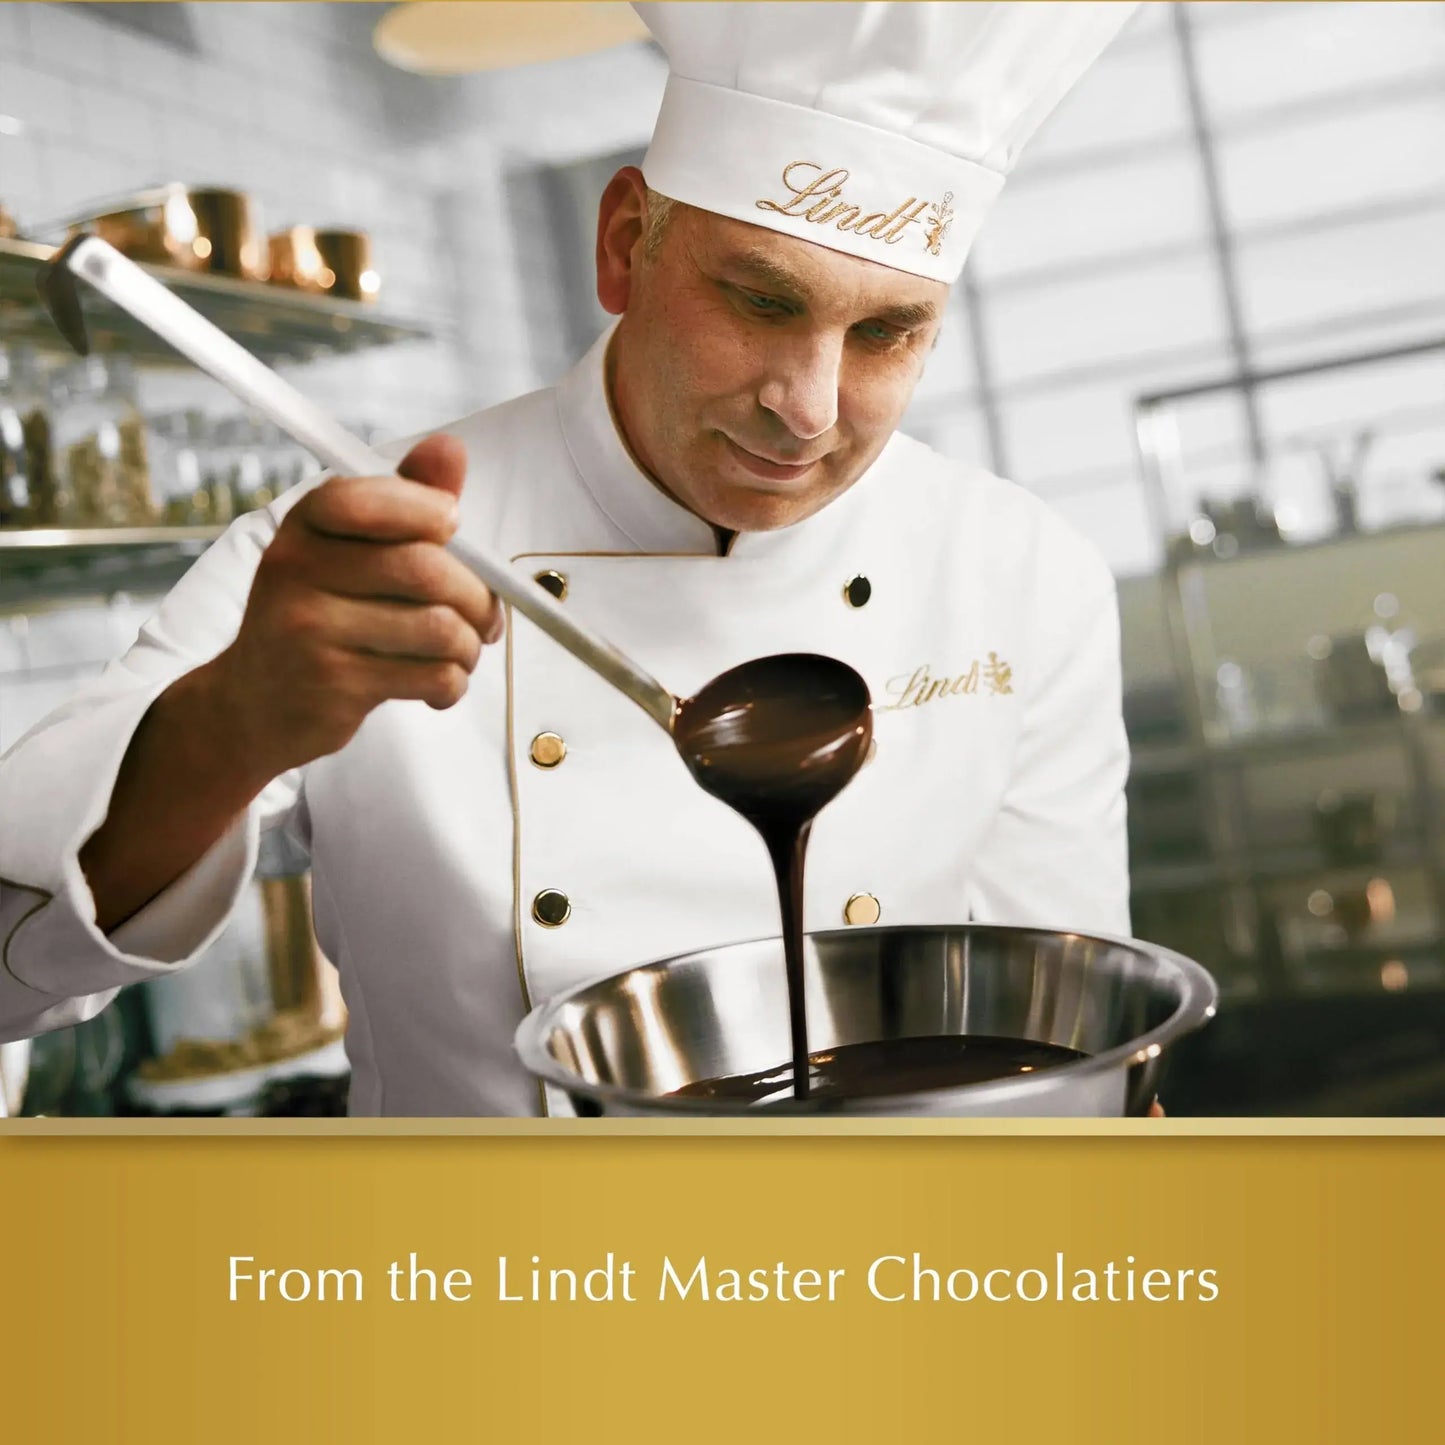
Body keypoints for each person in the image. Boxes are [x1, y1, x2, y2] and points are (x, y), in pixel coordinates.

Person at [0, 2, 1139, 1116]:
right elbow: (12, 969)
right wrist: (231, 722)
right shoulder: (351, 550)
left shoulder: (1023, 576)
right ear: (624, 244)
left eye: (886, 332)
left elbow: (1068, 1037)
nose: (806, 408)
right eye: (757, 298)